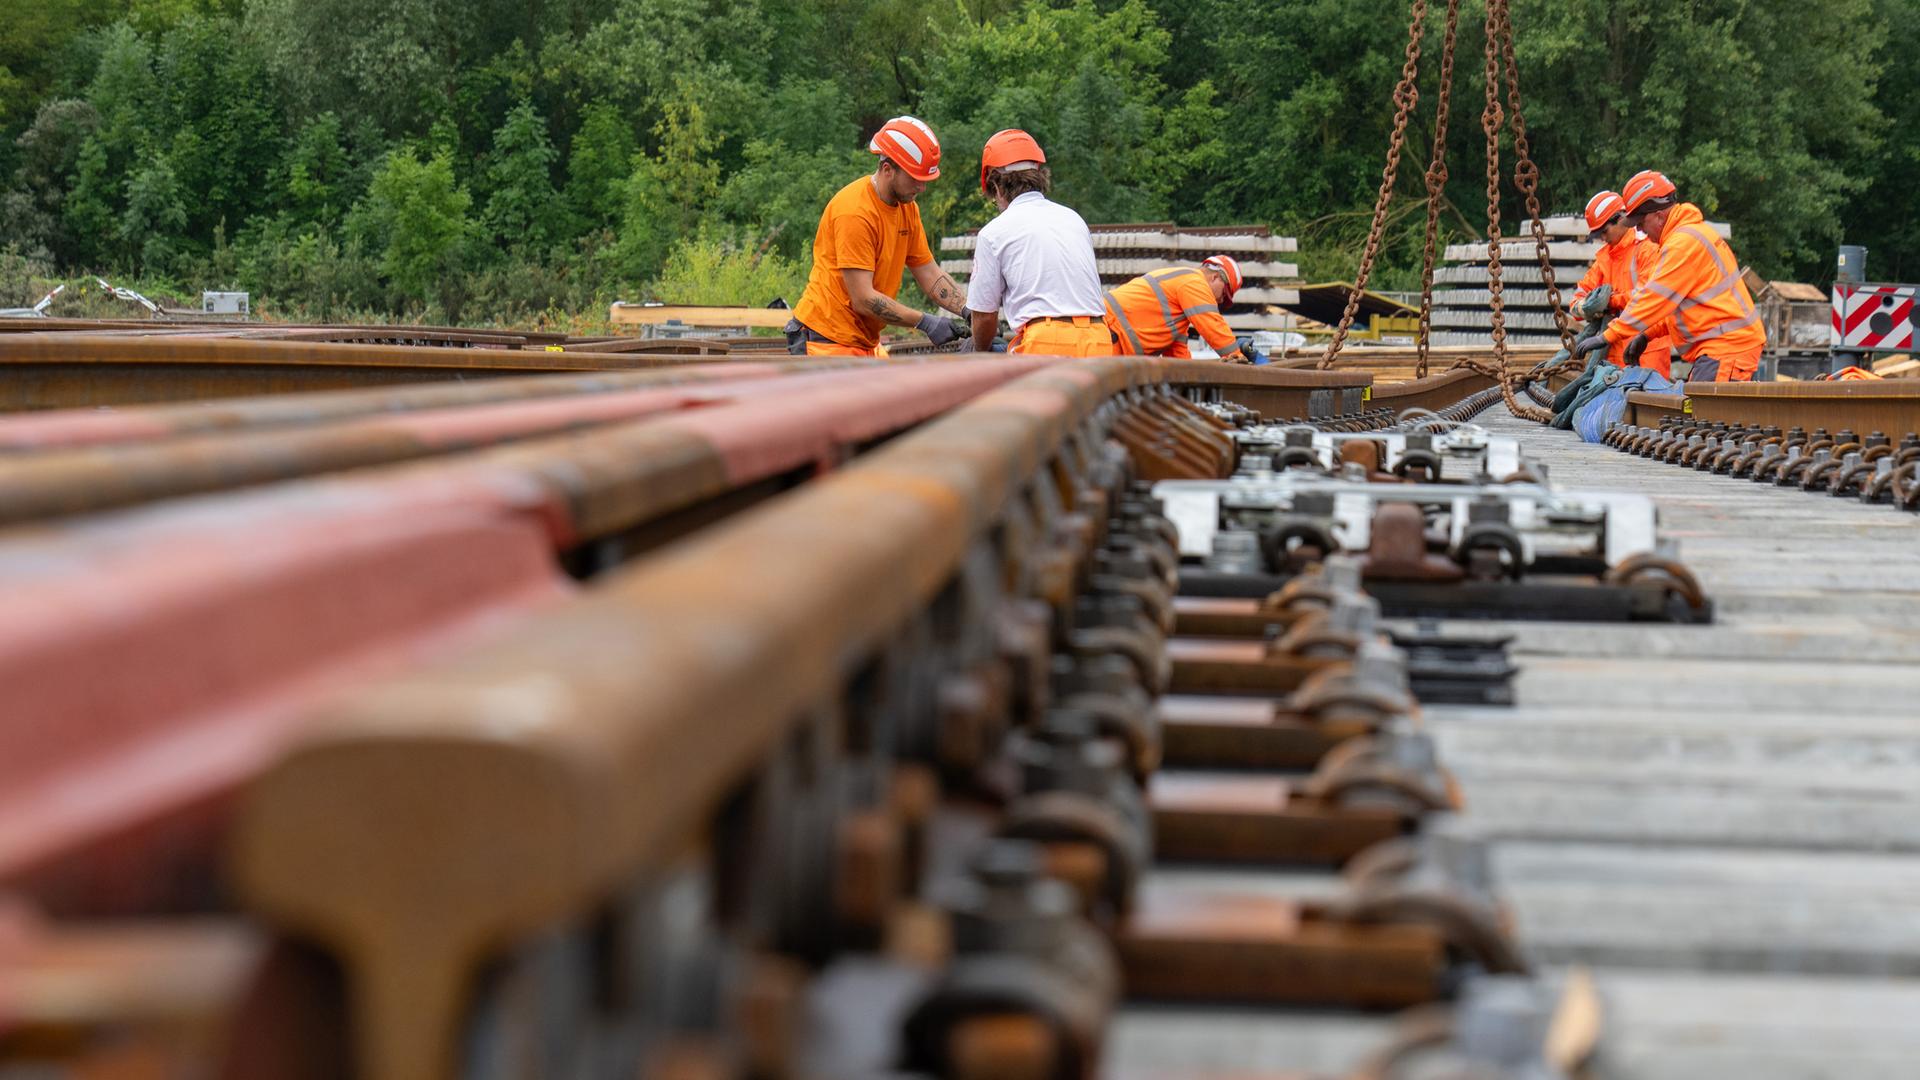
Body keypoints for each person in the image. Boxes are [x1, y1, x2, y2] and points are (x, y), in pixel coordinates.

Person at [787, 116, 970, 356]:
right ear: (887, 169)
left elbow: (929, 272)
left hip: (864, 342)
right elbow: (863, 298)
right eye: (915, 179)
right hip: (826, 340)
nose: (922, 188)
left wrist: (969, 310)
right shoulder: (854, 212)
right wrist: (924, 321)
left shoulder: (907, 208)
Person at [1576, 170, 1766, 382]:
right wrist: (1647, 334)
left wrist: (1607, 336)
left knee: (1700, 404)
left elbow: (1653, 299)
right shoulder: (1689, 236)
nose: (1640, 231)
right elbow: (1677, 307)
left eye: (1641, 224)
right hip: (1725, 346)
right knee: (1694, 401)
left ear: (1658, 216)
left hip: (1727, 348)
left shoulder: (1682, 245)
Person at [964, 129, 1113, 356]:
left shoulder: (993, 233)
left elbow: (984, 316)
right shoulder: (1074, 219)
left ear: (996, 186)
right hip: (1098, 339)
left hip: (1046, 341)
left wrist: (980, 349)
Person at [1571, 189, 1673, 379]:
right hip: (1612, 352)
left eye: (1604, 231)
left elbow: (1646, 297)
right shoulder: (1605, 258)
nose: (1602, 238)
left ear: (1620, 219)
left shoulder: (1648, 250)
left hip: (1645, 352)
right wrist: (1587, 307)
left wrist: (1608, 302)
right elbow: (1577, 299)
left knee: (1648, 396)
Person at [1104, 255, 1255, 362]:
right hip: (1104, 333)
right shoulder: (1194, 282)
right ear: (1215, 277)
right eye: (1224, 294)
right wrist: (1236, 356)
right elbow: (1212, 325)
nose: (1220, 300)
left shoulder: (1176, 317)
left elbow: (1178, 357)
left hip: (1110, 337)